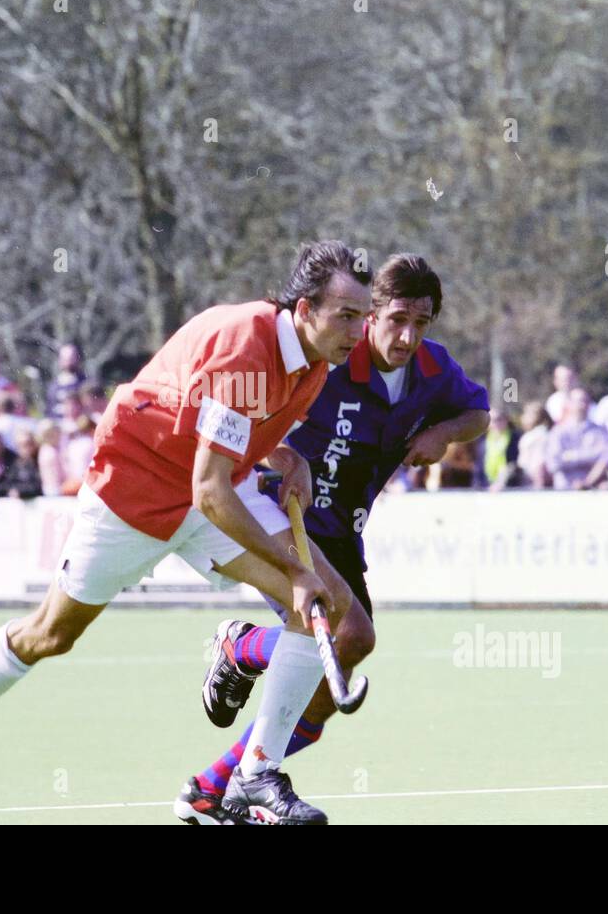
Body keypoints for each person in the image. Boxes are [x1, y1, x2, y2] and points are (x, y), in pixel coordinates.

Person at [0, 240, 371, 825]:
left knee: (329, 604)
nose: (357, 330)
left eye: (363, 316)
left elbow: (226, 440)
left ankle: (254, 775)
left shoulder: (316, 363)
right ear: (304, 309)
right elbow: (211, 489)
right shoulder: (245, 346)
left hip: (208, 488)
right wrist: (293, 569)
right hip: (136, 490)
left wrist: (283, 457)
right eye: (347, 315)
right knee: (50, 634)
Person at [174, 252, 488, 824]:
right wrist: (281, 456)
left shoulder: (433, 371)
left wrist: (443, 432)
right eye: (396, 319)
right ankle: (235, 739)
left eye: (421, 323)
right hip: (286, 517)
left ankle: (213, 779)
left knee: (336, 671)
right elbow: (251, 409)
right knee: (349, 634)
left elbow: (480, 414)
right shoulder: (332, 360)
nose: (407, 335)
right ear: (370, 314)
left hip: (345, 530)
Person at [544, 388, 608, 490]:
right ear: (569, 404)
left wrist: (586, 483)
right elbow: (553, 464)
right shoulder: (557, 432)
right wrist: (588, 456)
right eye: (578, 401)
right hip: (564, 489)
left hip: (593, 490)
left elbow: (604, 460)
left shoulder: (600, 432)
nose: (582, 405)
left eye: (585, 401)